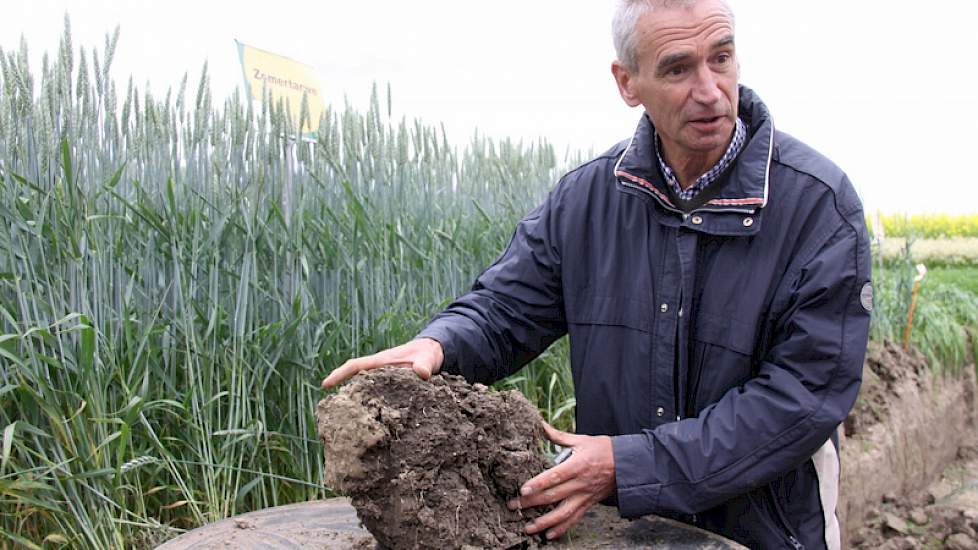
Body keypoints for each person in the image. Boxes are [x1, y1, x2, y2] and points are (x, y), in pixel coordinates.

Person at [322, 0, 872, 548]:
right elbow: (505, 310)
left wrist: (629, 465)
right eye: (678, 68)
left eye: (721, 58)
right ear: (627, 82)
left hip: (763, 534)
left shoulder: (816, 206)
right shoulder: (586, 200)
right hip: (622, 532)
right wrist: (439, 345)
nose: (709, 90)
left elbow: (801, 400)